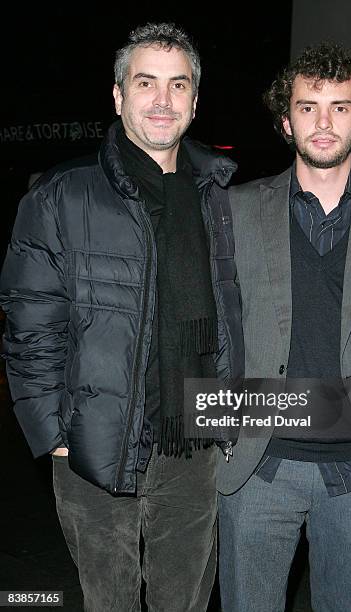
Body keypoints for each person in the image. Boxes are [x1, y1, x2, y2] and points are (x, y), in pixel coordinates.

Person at [0, 22, 241, 612]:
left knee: (183, 602)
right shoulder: (64, 193)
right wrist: (53, 431)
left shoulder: (222, 196)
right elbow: (30, 320)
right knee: (108, 601)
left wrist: (236, 415)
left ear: (194, 99)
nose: (162, 99)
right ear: (118, 94)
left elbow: (239, 313)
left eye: (177, 84)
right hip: (94, 442)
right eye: (145, 82)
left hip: (196, 446)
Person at [216, 42, 351, 612]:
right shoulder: (235, 210)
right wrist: (215, 443)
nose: (323, 120)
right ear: (285, 121)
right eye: (308, 106)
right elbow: (212, 331)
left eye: (340, 107)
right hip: (256, 470)